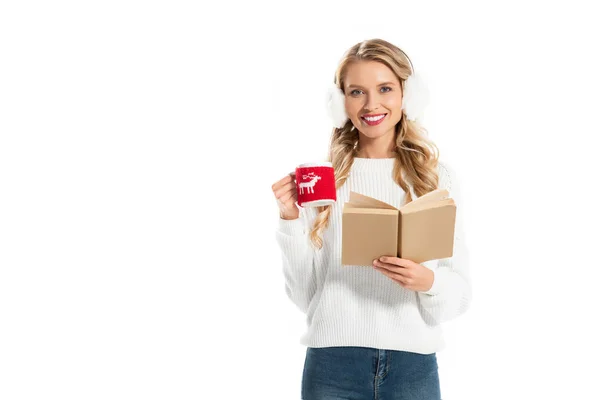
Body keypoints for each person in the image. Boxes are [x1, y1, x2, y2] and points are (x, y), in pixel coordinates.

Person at [271, 38, 472, 400]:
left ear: (406, 95)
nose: (371, 104)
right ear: (340, 101)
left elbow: (459, 296)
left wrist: (427, 281)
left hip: (413, 365)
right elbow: (304, 295)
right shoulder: (323, 179)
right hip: (332, 364)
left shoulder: (436, 177)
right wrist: (289, 220)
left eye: (384, 89)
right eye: (356, 91)